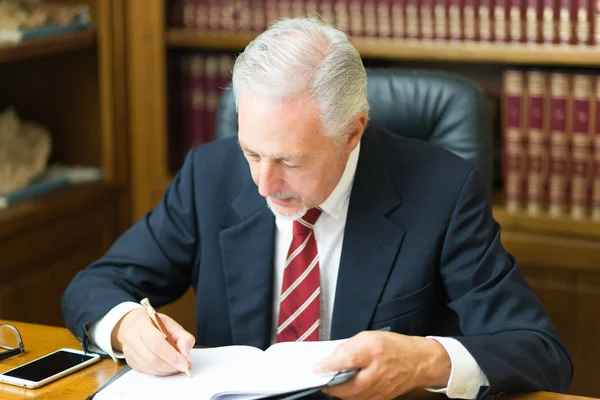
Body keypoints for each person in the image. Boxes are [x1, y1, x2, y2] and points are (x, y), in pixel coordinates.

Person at [62, 17, 572, 400]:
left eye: (289, 161)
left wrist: (425, 361)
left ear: (353, 132)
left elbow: (539, 351)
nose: (263, 183)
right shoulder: (210, 175)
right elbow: (94, 285)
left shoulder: (443, 191)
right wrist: (126, 326)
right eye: (252, 152)